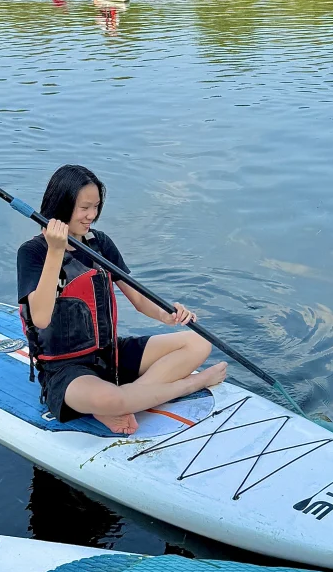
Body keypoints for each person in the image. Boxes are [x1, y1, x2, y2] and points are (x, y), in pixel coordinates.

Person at [17, 164, 225, 434]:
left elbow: (138, 298)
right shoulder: (33, 252)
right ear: (62, 204)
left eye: (96, 207)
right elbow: (42, 317)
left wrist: (167, 314)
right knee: (112, 399)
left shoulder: (99, 243)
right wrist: (56, 252)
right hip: (66, 371)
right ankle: (187, 386)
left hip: (110, 355)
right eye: (84, 208)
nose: (92, 215)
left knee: (198, 342)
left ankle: (128, 399)